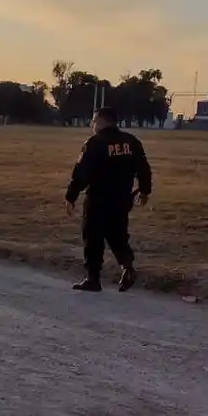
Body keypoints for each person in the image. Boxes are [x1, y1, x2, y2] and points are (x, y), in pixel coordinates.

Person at [64, 106, 152, 292]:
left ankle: (93, 279)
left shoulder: (94, 143)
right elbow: (144, 169)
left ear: (103, 121)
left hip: (98, 200)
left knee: (93, 238)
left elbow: (81, 173)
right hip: (122, 200)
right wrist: (144, 190)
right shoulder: (132, 142)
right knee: (117, 235)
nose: (92, 125)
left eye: (94, 121)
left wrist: (71, 196)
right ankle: (127, 266)